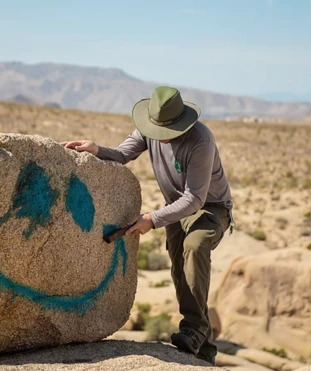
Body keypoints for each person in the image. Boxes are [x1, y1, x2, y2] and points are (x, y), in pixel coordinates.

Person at [62, 86, 234, 365]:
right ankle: (205, 353)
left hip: (209, 208)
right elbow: (121, 154)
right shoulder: (150, 129)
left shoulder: (201, 139)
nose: (163, 138)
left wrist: (151, 220)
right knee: (182, 272)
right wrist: (96, 149)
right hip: (176, 208)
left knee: (195, 245)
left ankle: (193, 330)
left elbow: (194, 198)